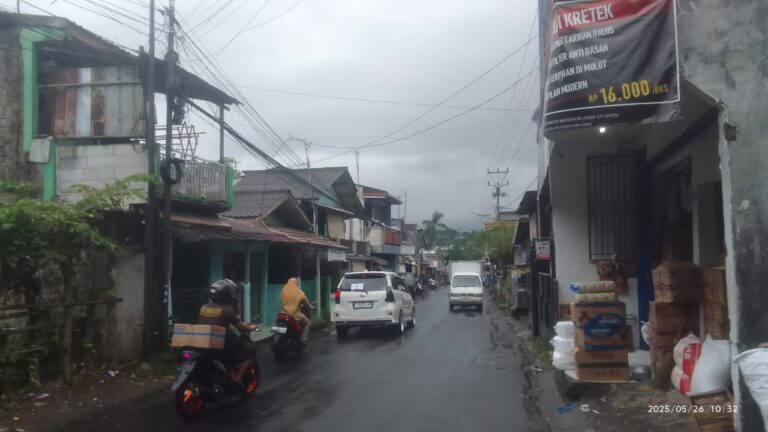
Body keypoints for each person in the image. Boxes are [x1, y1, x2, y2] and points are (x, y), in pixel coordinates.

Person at [198, 279, 258, 384]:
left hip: (202, 341)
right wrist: (251, 327)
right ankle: (238, 379)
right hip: (220, 342)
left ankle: (230, 372)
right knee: (251, 349)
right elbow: (240, 327)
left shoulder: (203, 307)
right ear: (227, 295)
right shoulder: (228, 310)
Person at [279, 277, 312, 345]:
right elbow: (306, 303)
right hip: (294, 314)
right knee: (307, 323)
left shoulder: (283, 291)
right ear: (295, 284)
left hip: (283, 314)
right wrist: (310, 307)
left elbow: (281, 302)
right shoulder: (299, 293)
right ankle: (303, 340)